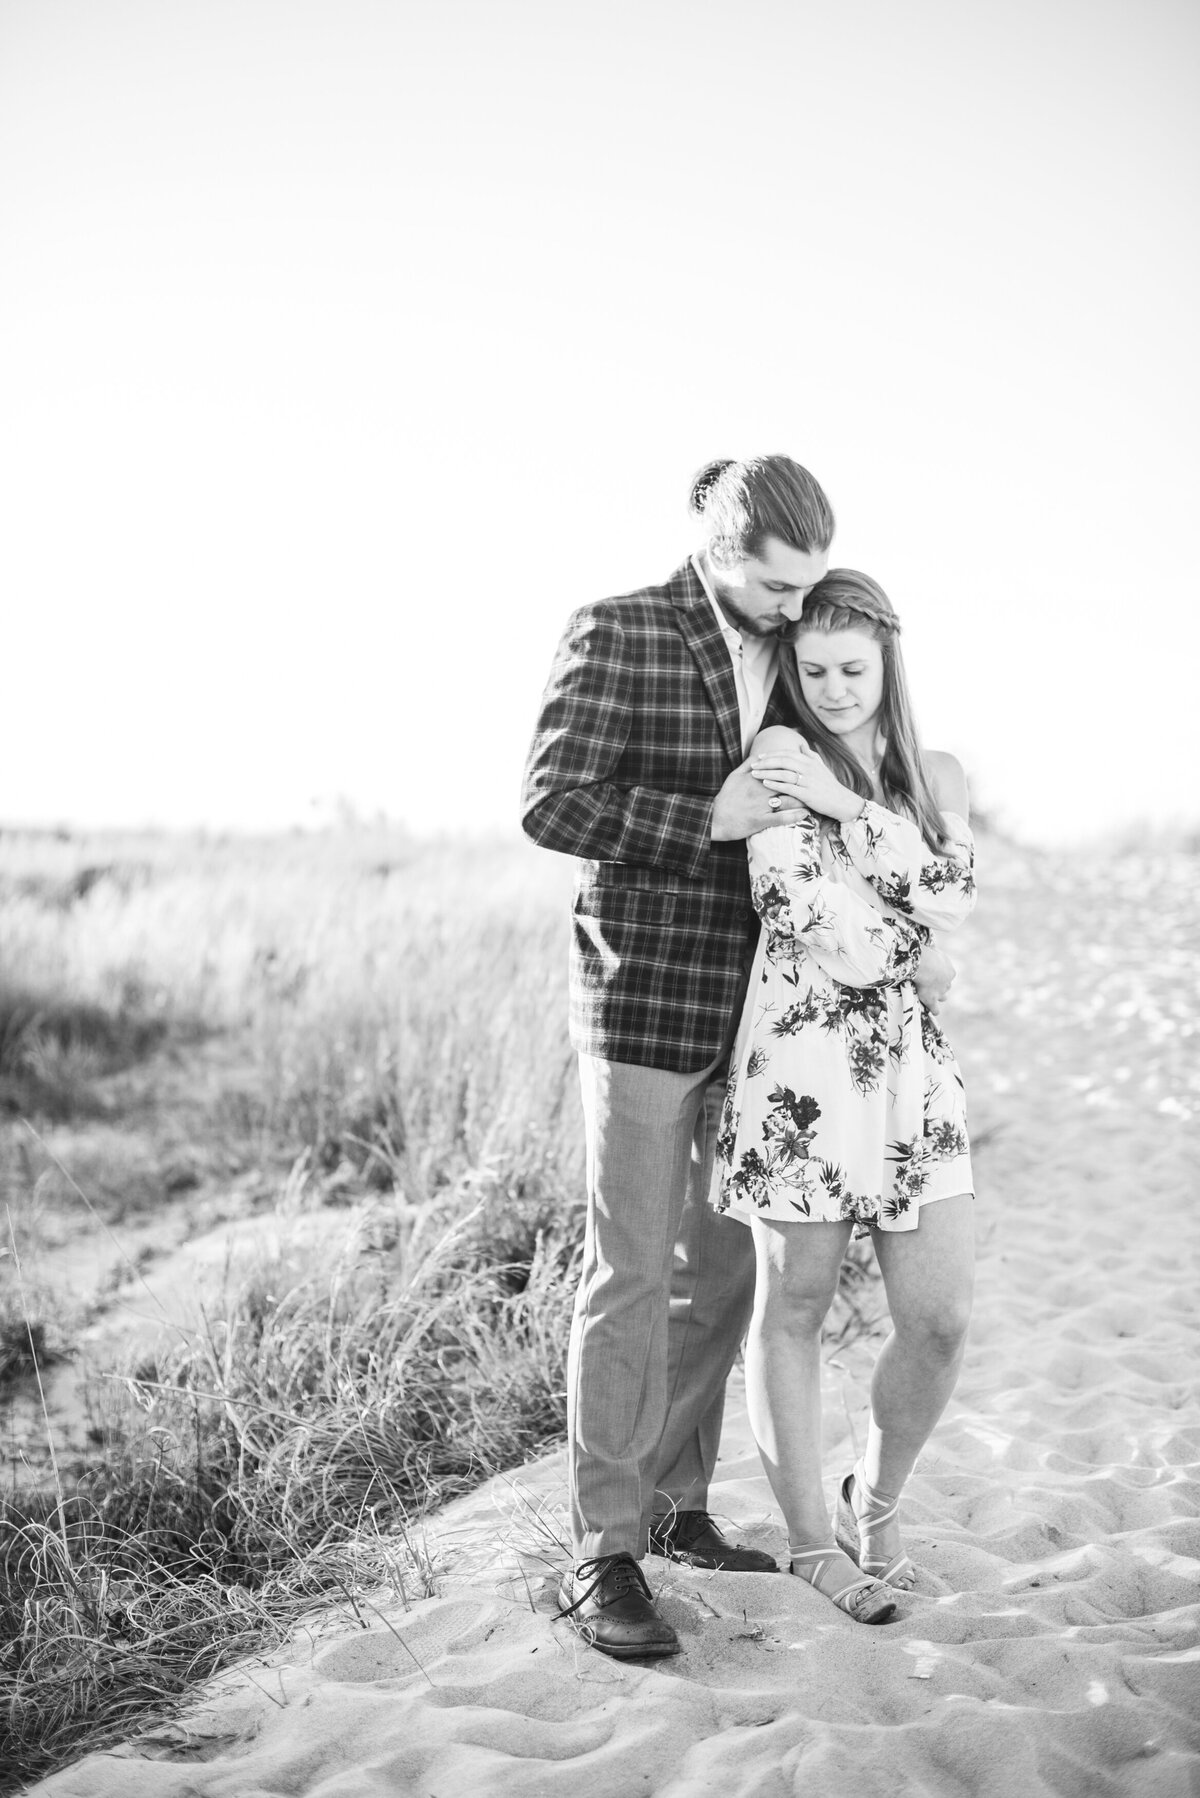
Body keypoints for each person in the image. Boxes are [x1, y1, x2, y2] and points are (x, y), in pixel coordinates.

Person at [521, 460, 955, 1659]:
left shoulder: (803, 649)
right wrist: (704, 820)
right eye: (774, 583)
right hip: (648, 999)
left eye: (809, 585)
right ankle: (602, 1554)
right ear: (719, 551)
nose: (792, 605)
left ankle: (674, 1508)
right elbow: (553, 803)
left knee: (717, 1278)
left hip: (774, 1032)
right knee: (624, 1273)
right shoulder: (619, 630)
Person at [715, 567, 976, 1625]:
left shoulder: (938, 770)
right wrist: (918, 944)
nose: (830, 687)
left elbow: (954, 901)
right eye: (811, 667)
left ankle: (877, 1493)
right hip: (804, 1077)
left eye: (851, 668)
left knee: (941, 1317)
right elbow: (808, 915)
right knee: (799, 1307)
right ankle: (814, 1546)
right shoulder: (777, 755)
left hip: (916, 1080)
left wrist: (849, 810)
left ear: (888, 659)